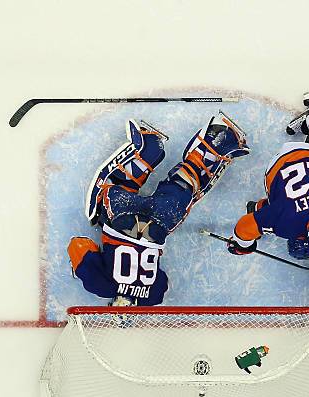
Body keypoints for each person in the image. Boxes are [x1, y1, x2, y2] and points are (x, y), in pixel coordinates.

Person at [68, 113, 249, 306]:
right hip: (123, 218)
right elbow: (79, 244)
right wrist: (81, 268)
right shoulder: (102, 287)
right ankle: (147, 150)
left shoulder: (153, 296)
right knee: (114, 189)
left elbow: (161, 281)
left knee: (185, 186)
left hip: (159, 224)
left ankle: (218, 142)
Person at [228, 139, 309, 257]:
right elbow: (243, 227)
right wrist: (243, 246)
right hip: (277, 163)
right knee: (278, 203)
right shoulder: (285, 226)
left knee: (284, 205)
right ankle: (257, 208)